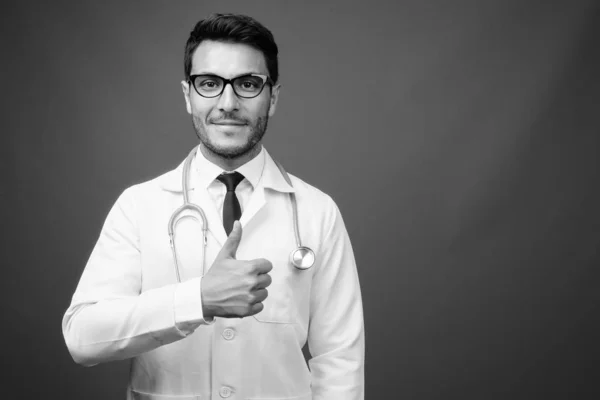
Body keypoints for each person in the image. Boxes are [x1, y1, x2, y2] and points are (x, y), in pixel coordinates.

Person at [62, 13, 365, 400]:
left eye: (248, 84)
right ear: (188, 95)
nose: (228, 103)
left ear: (272, 98)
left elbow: (340, 360)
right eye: (209, 84)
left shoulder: (318, 211)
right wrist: (198, 299)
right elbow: (83, 337)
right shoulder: (139, 206)